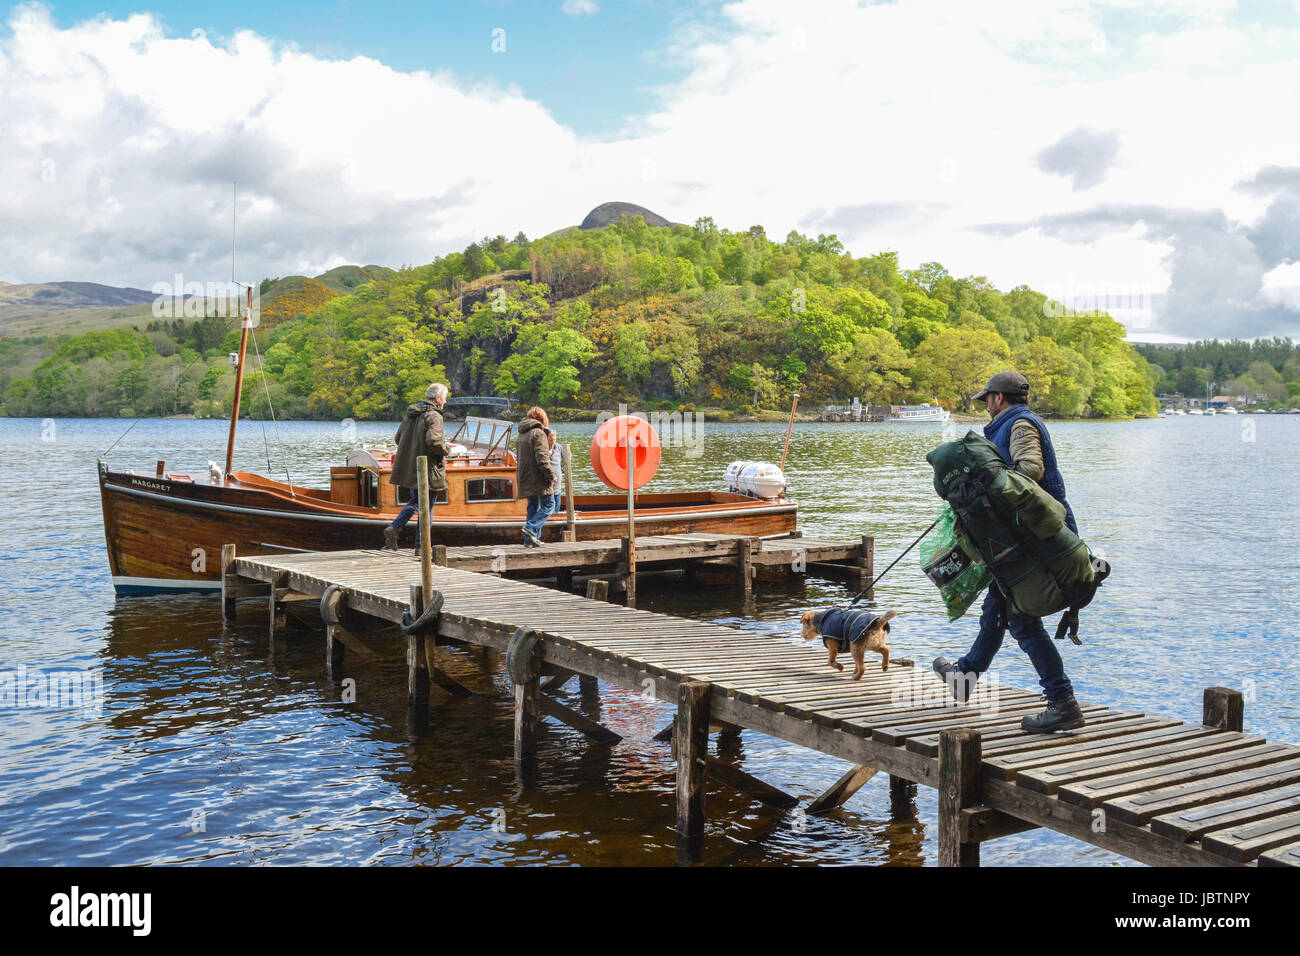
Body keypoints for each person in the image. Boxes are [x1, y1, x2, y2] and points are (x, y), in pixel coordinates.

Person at [932, 370, 1085, 734]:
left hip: (1036, 541)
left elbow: (1029, 468)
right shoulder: (1013, 423)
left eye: (987, 399)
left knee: (1020, 620)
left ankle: (1062, 702)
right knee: (997, 611)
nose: (985, 406)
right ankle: (965, 678)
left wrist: (986, 483)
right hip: (1021, 540)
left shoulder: (1019, 425)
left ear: (998, 398)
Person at [384, 383, 451, 553]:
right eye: (444, 398)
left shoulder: (411, 413)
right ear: (437, 399)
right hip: (428, 469)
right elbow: (434, 442)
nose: (445, 402)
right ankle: (418, 545)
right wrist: (447, 450)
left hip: (412, 467)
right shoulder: (434, 416)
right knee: (426, 507)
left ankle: (401, 533)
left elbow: (398, 438)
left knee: (418, 502)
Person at [515, 406, 556, 548]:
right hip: (537, 477)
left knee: (532, 506)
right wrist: (551, 475)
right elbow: (542, 459)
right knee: (550, 504)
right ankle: (531, 528)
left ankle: (530, 541)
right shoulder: (539, 433)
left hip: (524, 476)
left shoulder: (522, 433)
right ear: (542, 419)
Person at [545, 428, 564, 517]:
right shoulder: (542, 450)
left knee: (556, 510)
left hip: (558, 487)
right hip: (547, 488)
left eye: (554, 440)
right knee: (548, 509)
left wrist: (562, 469)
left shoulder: (559, 447)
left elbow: (567, 458)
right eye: (550, 440)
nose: (553, 442)